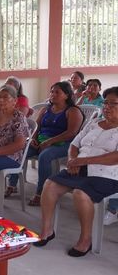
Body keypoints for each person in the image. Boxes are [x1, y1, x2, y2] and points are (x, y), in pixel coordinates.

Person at [35, 87, 118, 257]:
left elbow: (115, 158)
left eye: (113, 104)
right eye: (105, 103)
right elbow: (75, 143)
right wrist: (72, 159)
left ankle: (85, 239)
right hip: (79, 167)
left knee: (81, 193)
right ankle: (47, 230)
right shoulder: (94, 123)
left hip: (107, 174)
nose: (107, 107)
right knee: (50, 184)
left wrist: (82, 161)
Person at [7, 81, 83, 206]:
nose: (53, 94)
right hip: (42, 141)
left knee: (45, 156)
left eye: (57, 92)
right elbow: (36, 127)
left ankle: (41, 192)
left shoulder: (73, 111)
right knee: (20, 149)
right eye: (52, 92)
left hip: (65, 144)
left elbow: (72, 133)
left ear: (67, 95)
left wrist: (50, 141)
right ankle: (12, 184)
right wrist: (33, 139)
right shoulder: (45, 109)